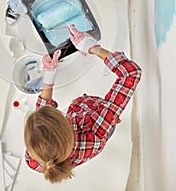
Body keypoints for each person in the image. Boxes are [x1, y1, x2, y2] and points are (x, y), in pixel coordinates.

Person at [24, 24, 142, 183]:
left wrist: (49, 77)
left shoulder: (34, 158)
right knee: (110, 121)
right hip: (96, 121)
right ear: (66, 123)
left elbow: (43, 123)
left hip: (73, 126)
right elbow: (131, 74)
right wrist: (93, 48)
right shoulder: (96, 129)